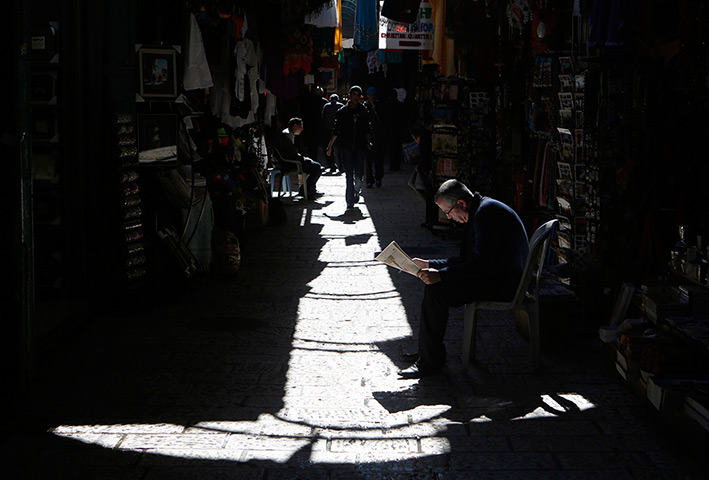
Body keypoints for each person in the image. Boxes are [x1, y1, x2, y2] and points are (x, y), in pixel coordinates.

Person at [398, 179, 530, 378]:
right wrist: (430, 264)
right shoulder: (480, 210)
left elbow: (480, 265)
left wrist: (441, 275)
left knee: (437, 290)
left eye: (449, 212)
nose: (450, 218)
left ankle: (430, 361)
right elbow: (465, 260)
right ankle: (428, 353)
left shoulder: (486, 214)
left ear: (461, 204)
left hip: (505, 283)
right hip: (496, 275)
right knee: (436, 285)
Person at [326, 85, 372, 209]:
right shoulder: (342, 112)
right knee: (348, 174)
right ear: (350, 96)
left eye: (358, 95)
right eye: (354, 95)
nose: (356, 97)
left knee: (359, 173)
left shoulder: (363, 111)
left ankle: (356, 190)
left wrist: (368, 142)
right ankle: (349, 199)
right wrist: (330, 146)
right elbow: (336, 130)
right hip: (346, 146)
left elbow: (367, 129)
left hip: (360, 146)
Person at [275, 117, 323, 198]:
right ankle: (306, 190)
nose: (302, 129)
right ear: (295, 126)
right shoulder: (287, 135)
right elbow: (291, 153)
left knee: (314, 165)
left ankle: (309, 190)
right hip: (290, 162)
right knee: (316, 167)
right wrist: (303, 158)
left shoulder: (289, 134)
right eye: (300, 126)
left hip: (293, 159)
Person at [363, 86, 385, 188]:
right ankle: (369, 180)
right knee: (368, 160)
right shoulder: (365, 106)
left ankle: (378, 178)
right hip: (369, 136)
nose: (371, 97)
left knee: (378, 159)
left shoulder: (379, 105)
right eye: (370, 95)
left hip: (379, 136)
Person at [321, 93, 344, 174]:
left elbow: (323, 118)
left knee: (329, 149)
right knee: (340, 149)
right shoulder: (341, 105)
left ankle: (332, 166)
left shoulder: (326, 106)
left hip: (328, 130)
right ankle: (342, 167)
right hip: (339, 131)